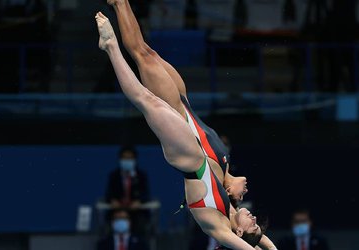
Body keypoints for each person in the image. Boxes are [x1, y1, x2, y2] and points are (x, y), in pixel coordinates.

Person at [95, 12, 261, 249]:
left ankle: (110, 47)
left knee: (144, 98)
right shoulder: (226, 186)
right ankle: (120, 4)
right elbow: (261, 240)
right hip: (183, 106)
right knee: (144, 52)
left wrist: (253, 244)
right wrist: (267, 243)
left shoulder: (222, 226)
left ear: (239, 231)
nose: (254, 218)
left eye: (253, 225)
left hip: (187, 154)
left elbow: (248, 244)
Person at [105, 145, 150, 234]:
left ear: (135, 160)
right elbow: (108, 194)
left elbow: (146, 194)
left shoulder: (141, 176)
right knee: (112, 221)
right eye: (124, 158)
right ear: (120, 159)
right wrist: (113, 200)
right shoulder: (114, 175)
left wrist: (139, 201)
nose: (127, 160)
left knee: (140, 223)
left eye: (130, 158)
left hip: (136, 212)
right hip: (117, 210)